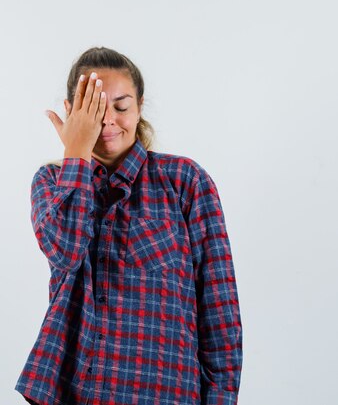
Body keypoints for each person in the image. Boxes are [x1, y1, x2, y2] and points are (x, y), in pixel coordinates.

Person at [14, 46, 243, 405]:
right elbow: (65, 250)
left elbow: (219, 309)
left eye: (120, 107)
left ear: (139, 107)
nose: (107, 121)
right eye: (93, 111)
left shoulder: (185, 180)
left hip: (165, 392)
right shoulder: (51, 181)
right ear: (72, 112)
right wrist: (76, 154)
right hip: (78, 391)